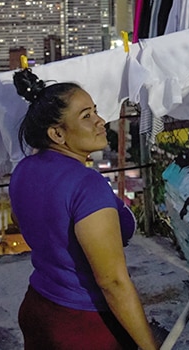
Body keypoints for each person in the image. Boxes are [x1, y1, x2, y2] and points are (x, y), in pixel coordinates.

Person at [9, 69, 159, 350]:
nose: (100, 121)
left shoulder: (23, 170)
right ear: (57, 134)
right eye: (86, 116)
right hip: (84, 326)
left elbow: (21, 220)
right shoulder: (86, 185)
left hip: (38, 307)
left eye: (96, 111)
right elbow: (112, 282)